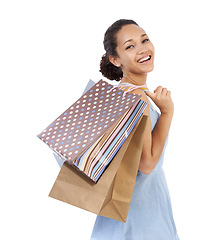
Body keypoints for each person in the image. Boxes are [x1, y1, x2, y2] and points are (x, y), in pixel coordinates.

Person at [90, 19, 179, 240]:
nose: (142, 49)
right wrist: (167, 113)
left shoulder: (120, 95)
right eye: (130, 46)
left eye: (144, 40)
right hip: (140, 221)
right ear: (115, 59)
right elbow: (146, 164)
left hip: (124, 214)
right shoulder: (134, 96)